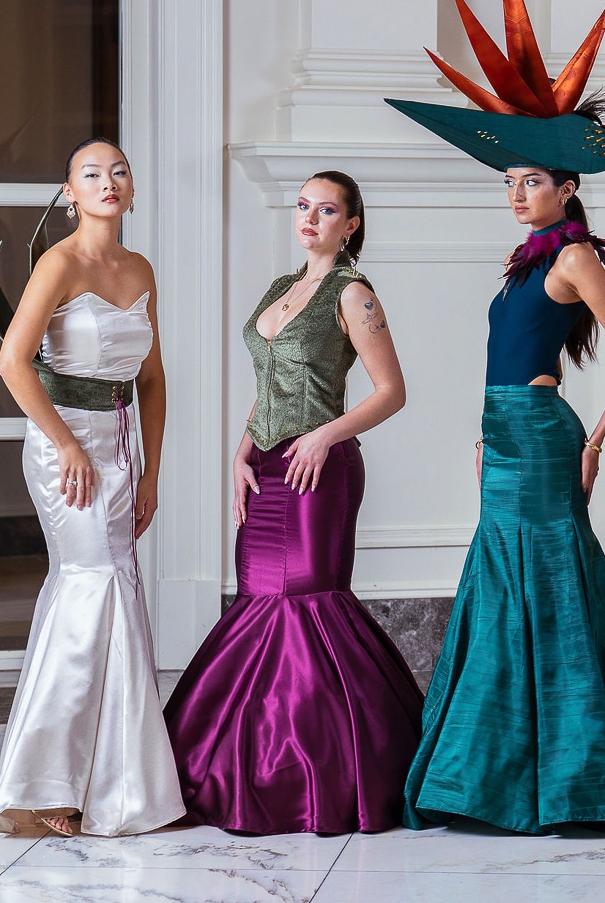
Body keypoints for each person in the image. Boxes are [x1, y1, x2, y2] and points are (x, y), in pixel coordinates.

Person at [388, 0, 605, 834]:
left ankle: (586, 776)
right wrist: (488, 428)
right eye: (512, 182)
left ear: (569, 188)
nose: (518, 193)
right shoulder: (526, 261)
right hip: (506, 434)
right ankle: (493, 773)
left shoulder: (570, 257)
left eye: (533, 181)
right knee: (508, 588)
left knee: (559, 592)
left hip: (544, 436)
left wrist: (595, 438)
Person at [163, 170, 422, 835]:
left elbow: (390, 391)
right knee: (257, 602)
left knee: (309, 605)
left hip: (319, 468)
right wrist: (243, 447)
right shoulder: (281, 289)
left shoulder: (353, 292)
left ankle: (334, 773)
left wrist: (323, 437)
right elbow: (272, 381)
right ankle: (246, 768)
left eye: (326, 209)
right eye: (303, 206)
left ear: (351, 224)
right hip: (267, 468)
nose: (309, 219)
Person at [0, 138, 183, 838]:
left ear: (132, 189)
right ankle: (41, 785)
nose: (109, 181)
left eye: (120, 170)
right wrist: (67, 443)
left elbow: (153, 379)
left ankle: (109, 780)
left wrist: (153, 469)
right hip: (63, 445)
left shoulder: (138, 267)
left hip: (123, 444)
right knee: (90, 584)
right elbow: (14, 362)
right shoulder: (59, 263)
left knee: (115, 591)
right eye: (92, 173)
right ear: (70, 192)